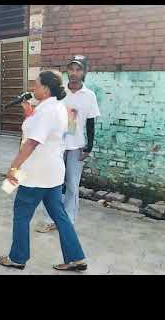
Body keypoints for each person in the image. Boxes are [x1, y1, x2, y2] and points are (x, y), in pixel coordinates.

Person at [0, 70, 87, 271]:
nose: (32, 88)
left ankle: (17, 257)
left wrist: (13, 168)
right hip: (52, 172)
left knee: (21, 213)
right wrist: (29, 112)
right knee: (59, 215)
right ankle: (75, 257)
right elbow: (44, 131)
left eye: (36, 85)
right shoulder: (57, 107)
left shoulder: (47, 111)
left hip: (35, 172)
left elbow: (31, 143)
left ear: (45, 89)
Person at [36, 55, 100, 233]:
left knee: (72, 184)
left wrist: (90, 146)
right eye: (71, 69)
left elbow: (90, 122)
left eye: (78, 69)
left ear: (84, 72)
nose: (74, 73)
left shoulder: (89, 96)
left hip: (76, 146)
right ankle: (50, 220)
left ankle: (68, 220)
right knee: (52, 183)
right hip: (56, 145)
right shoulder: (59, 91)